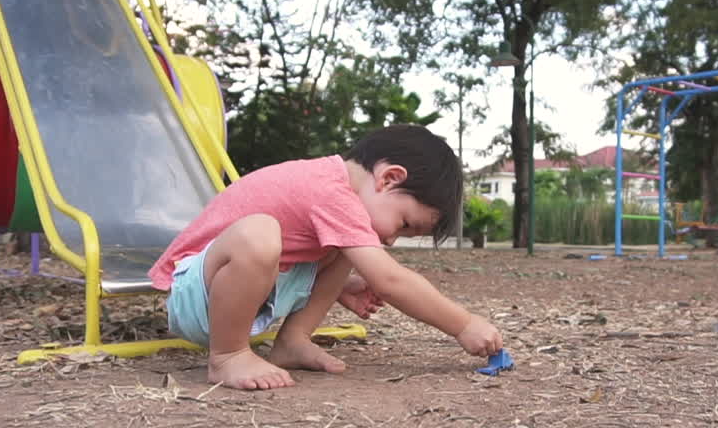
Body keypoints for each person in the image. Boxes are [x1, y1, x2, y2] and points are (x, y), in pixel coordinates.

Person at [149, 124, 503, 391]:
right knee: (260, 232)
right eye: (405, 223)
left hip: (243, 296)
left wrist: (339, 285)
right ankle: (227, 356)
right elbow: (390, 281)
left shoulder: (344, 199)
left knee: (350, 243)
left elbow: (293, 253)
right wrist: (464, 324)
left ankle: (292, 341)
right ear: (389, 179)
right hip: (198, 295)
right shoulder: (328, 188)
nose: (392, 239)